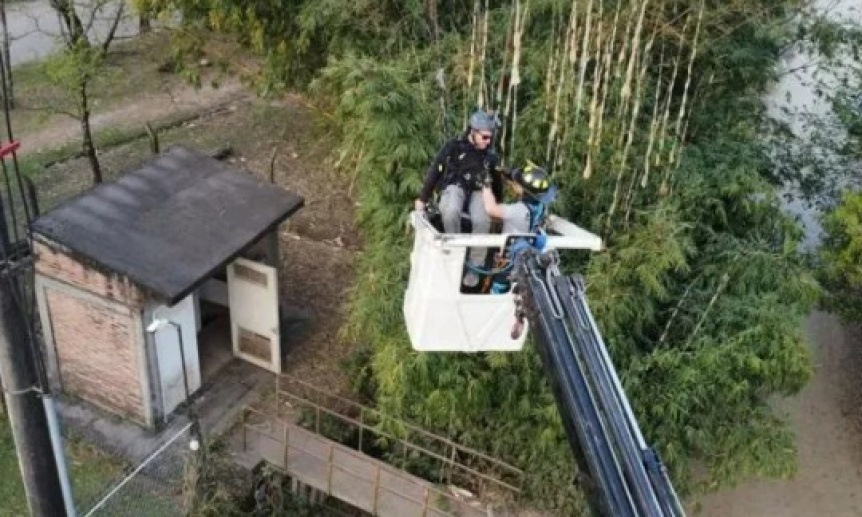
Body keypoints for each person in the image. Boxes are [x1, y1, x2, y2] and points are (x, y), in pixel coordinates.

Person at [414, 109, 504, 287]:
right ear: (473, 131)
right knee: (451, 211)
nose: (487, 142)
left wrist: (498, 206)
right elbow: (435, 170)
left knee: (482, 220)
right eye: (484, 137)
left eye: (490, 138)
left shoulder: (490, 157)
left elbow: (497, 182)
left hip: (478, 190)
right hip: (456, 186)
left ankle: (475, 266)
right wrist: (422, 198)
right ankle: (452, 253)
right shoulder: (454, 147)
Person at [479, 163, 552, 293]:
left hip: (508, 262)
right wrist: (507, 174)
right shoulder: (540, 207)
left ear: (523, 191)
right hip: (525, 256)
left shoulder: (519, 211)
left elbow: (491, 209)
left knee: (498, 289)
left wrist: (486, 184)